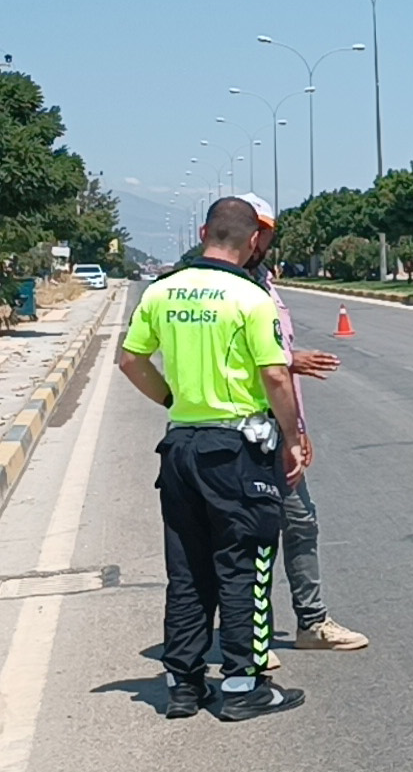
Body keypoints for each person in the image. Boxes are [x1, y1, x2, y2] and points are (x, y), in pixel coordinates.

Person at [117, 197, 310, 721]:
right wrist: (292, 438)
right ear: (252, 241)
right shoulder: (250, 297)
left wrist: (170, 401)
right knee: (244, 567)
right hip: (238, 453)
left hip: (180, 448)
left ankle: (184, 684)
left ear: (204, 232)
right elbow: (274, 375)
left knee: (187, 571)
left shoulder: (163, 291)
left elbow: (130, 359)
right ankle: (244, 685)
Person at [235, 193, 369, 657]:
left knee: (299, 524)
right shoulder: (229, 287)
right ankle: (250, 639)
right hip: (244, 428)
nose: (261, 238)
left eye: (267, 230)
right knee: (251, 533)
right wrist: (292, 362)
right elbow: (253, 360)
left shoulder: (265, 284)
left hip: (277, 423)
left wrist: (298, 430)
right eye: (256, 229)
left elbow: (274, 360)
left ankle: (311, 623)